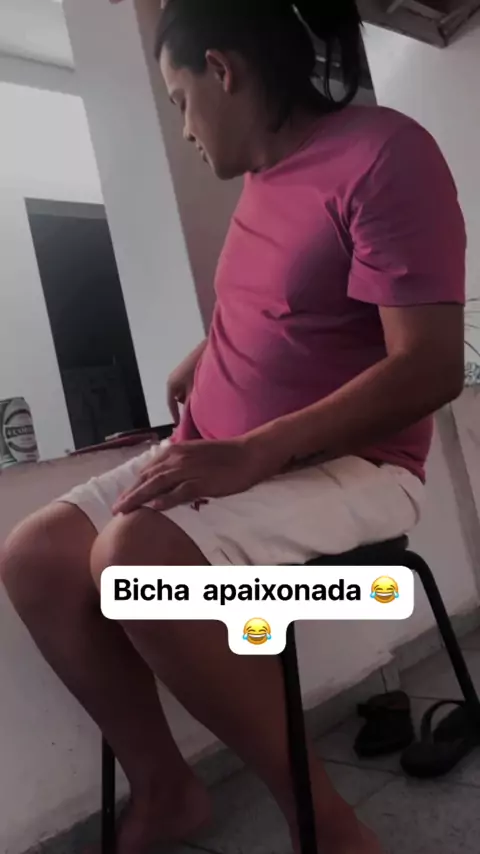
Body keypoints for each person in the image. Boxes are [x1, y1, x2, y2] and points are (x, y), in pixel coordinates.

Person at [1, 1, 466, 853]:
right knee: (35, 556)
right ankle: (167, 789)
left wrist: (257, 450)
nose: (183, 127)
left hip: (356, 466)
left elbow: (430, 367)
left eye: (180, 99)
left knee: (135, 562)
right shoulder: (263, 179)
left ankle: (329, 827)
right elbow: (290, 305)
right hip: (222, 450)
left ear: (222, 70)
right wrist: (209, 349)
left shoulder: (385, 154)